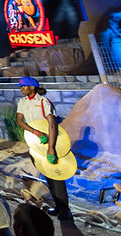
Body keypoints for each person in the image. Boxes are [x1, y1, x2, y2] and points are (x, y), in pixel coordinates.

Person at [15, 76, 71, 219]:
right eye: (20, 87)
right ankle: (58, 206)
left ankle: (65, 210)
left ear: (32, 88)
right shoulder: (22, 102)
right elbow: (19, 121)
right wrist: (36, 132)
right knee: (48, 173)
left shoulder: (43, 102)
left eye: (24, 86)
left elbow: (52, 125)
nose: (21, 89)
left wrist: (51, 148)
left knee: (56, 175)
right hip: (35, 142)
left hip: (49, 140)